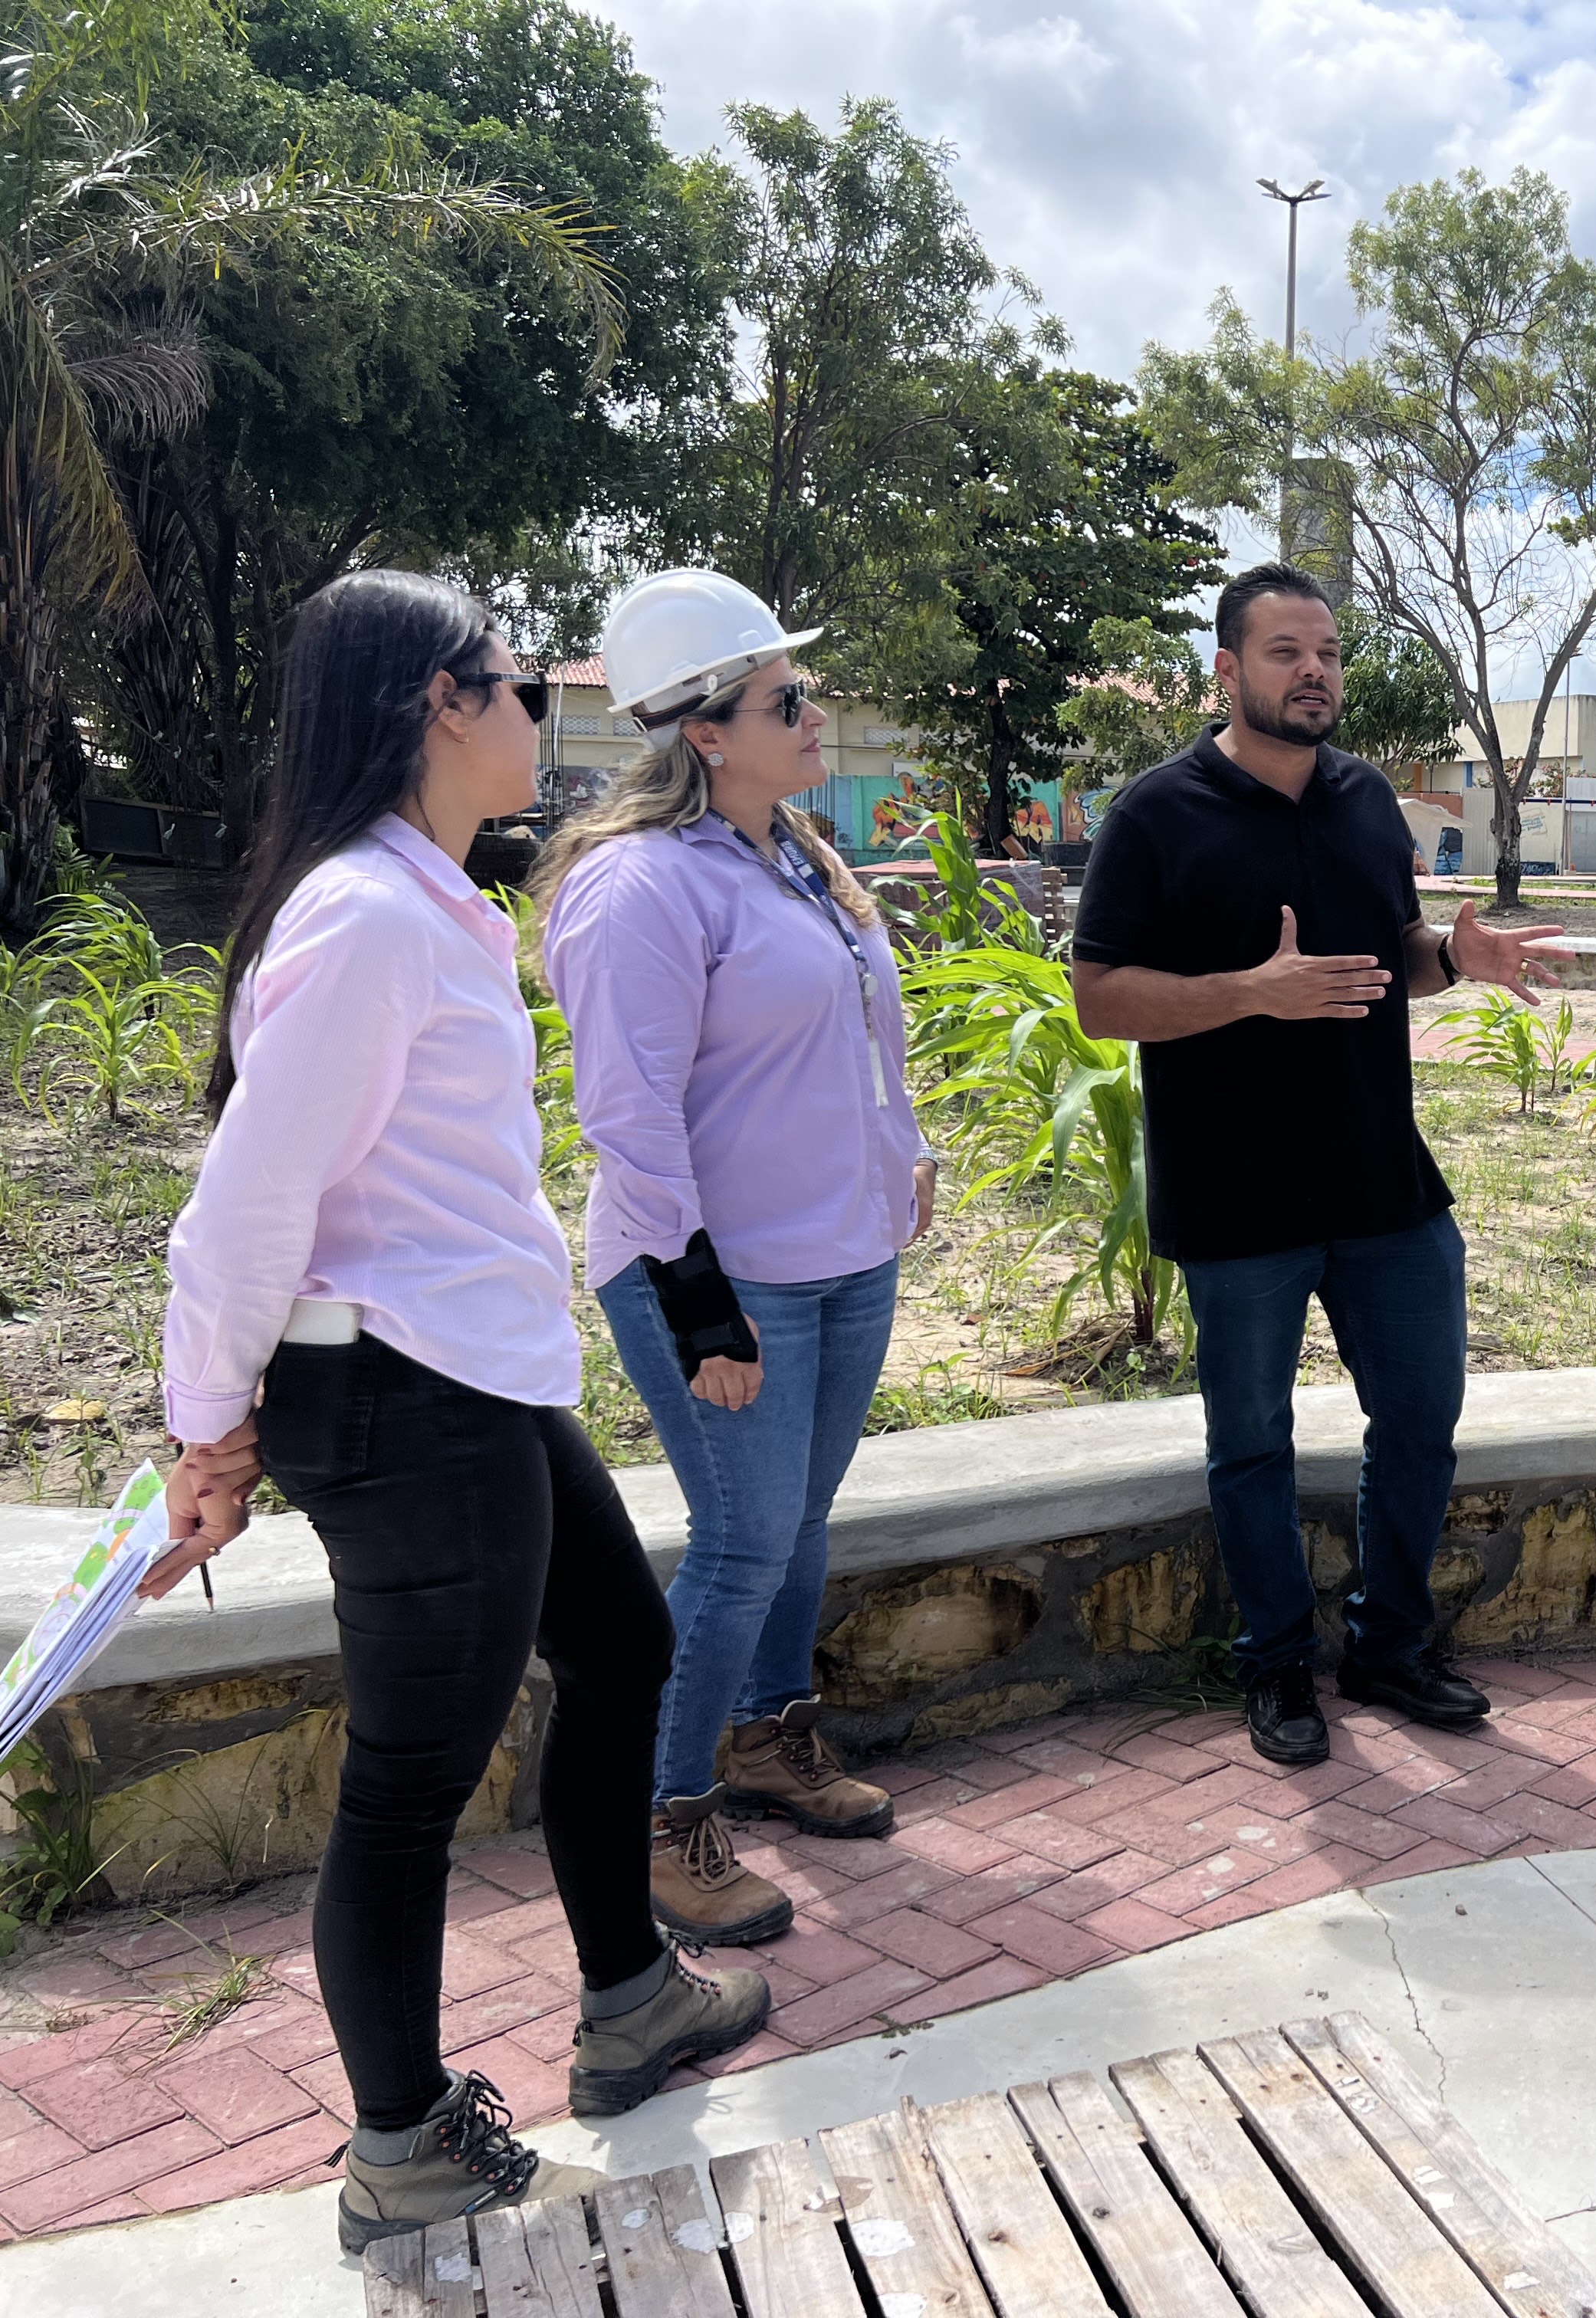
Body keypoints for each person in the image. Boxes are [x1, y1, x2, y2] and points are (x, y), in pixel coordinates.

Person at [153, 572, 767, 2257]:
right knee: (409, 1783)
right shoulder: (367, 917)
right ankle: (401, 2142)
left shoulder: (422, 901)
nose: (536, 712)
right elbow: (245, 1203)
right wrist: (206, 1432)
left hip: (465, 1385)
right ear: (437, 703)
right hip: (408, 1400)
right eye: (510, 681)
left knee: (625, 1648)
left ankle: (630, 1998)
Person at [1067, 565, 1571, 1766]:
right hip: (1237, 1197)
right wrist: (1253, 993)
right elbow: (1097, 998)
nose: (1315, 673)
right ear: (1229, 671)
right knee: (1252, 1444)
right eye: (1287, 651)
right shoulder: (1155, 814)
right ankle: (1278, 1664)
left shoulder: (1363, 802)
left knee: (1421, 1418)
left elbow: (1390, 957)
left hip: (1382, 1184)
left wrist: (1457, 955)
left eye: (1330, 653)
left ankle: (1392, 1643)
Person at [535, 570, 937, 1949]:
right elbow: (629, 1113)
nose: (815, 713)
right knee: (743, 1538)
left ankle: (770, 1734)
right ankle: (664, 1811)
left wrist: (906, 1155)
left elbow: (856, 1034)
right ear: (706, 730)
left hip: (841, 1252)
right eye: (788, 699)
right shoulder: (640, 886)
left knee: (801, 1519)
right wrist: (700, 1301)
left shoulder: (790, 857)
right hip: (721, 1273)